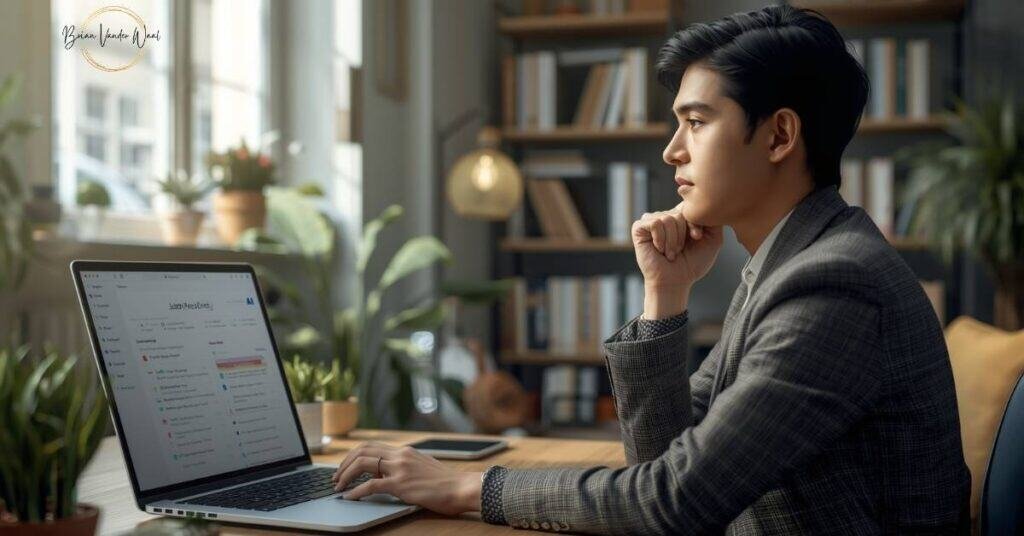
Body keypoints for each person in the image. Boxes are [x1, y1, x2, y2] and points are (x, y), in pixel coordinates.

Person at [331, 5, 971, 534]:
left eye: (696, 122)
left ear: (779, 137)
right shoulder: (794, 262)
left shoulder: (833, 285)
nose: (672, 151)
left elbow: (672, 501)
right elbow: (666, 461)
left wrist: (466, 484)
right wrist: (665, 294)